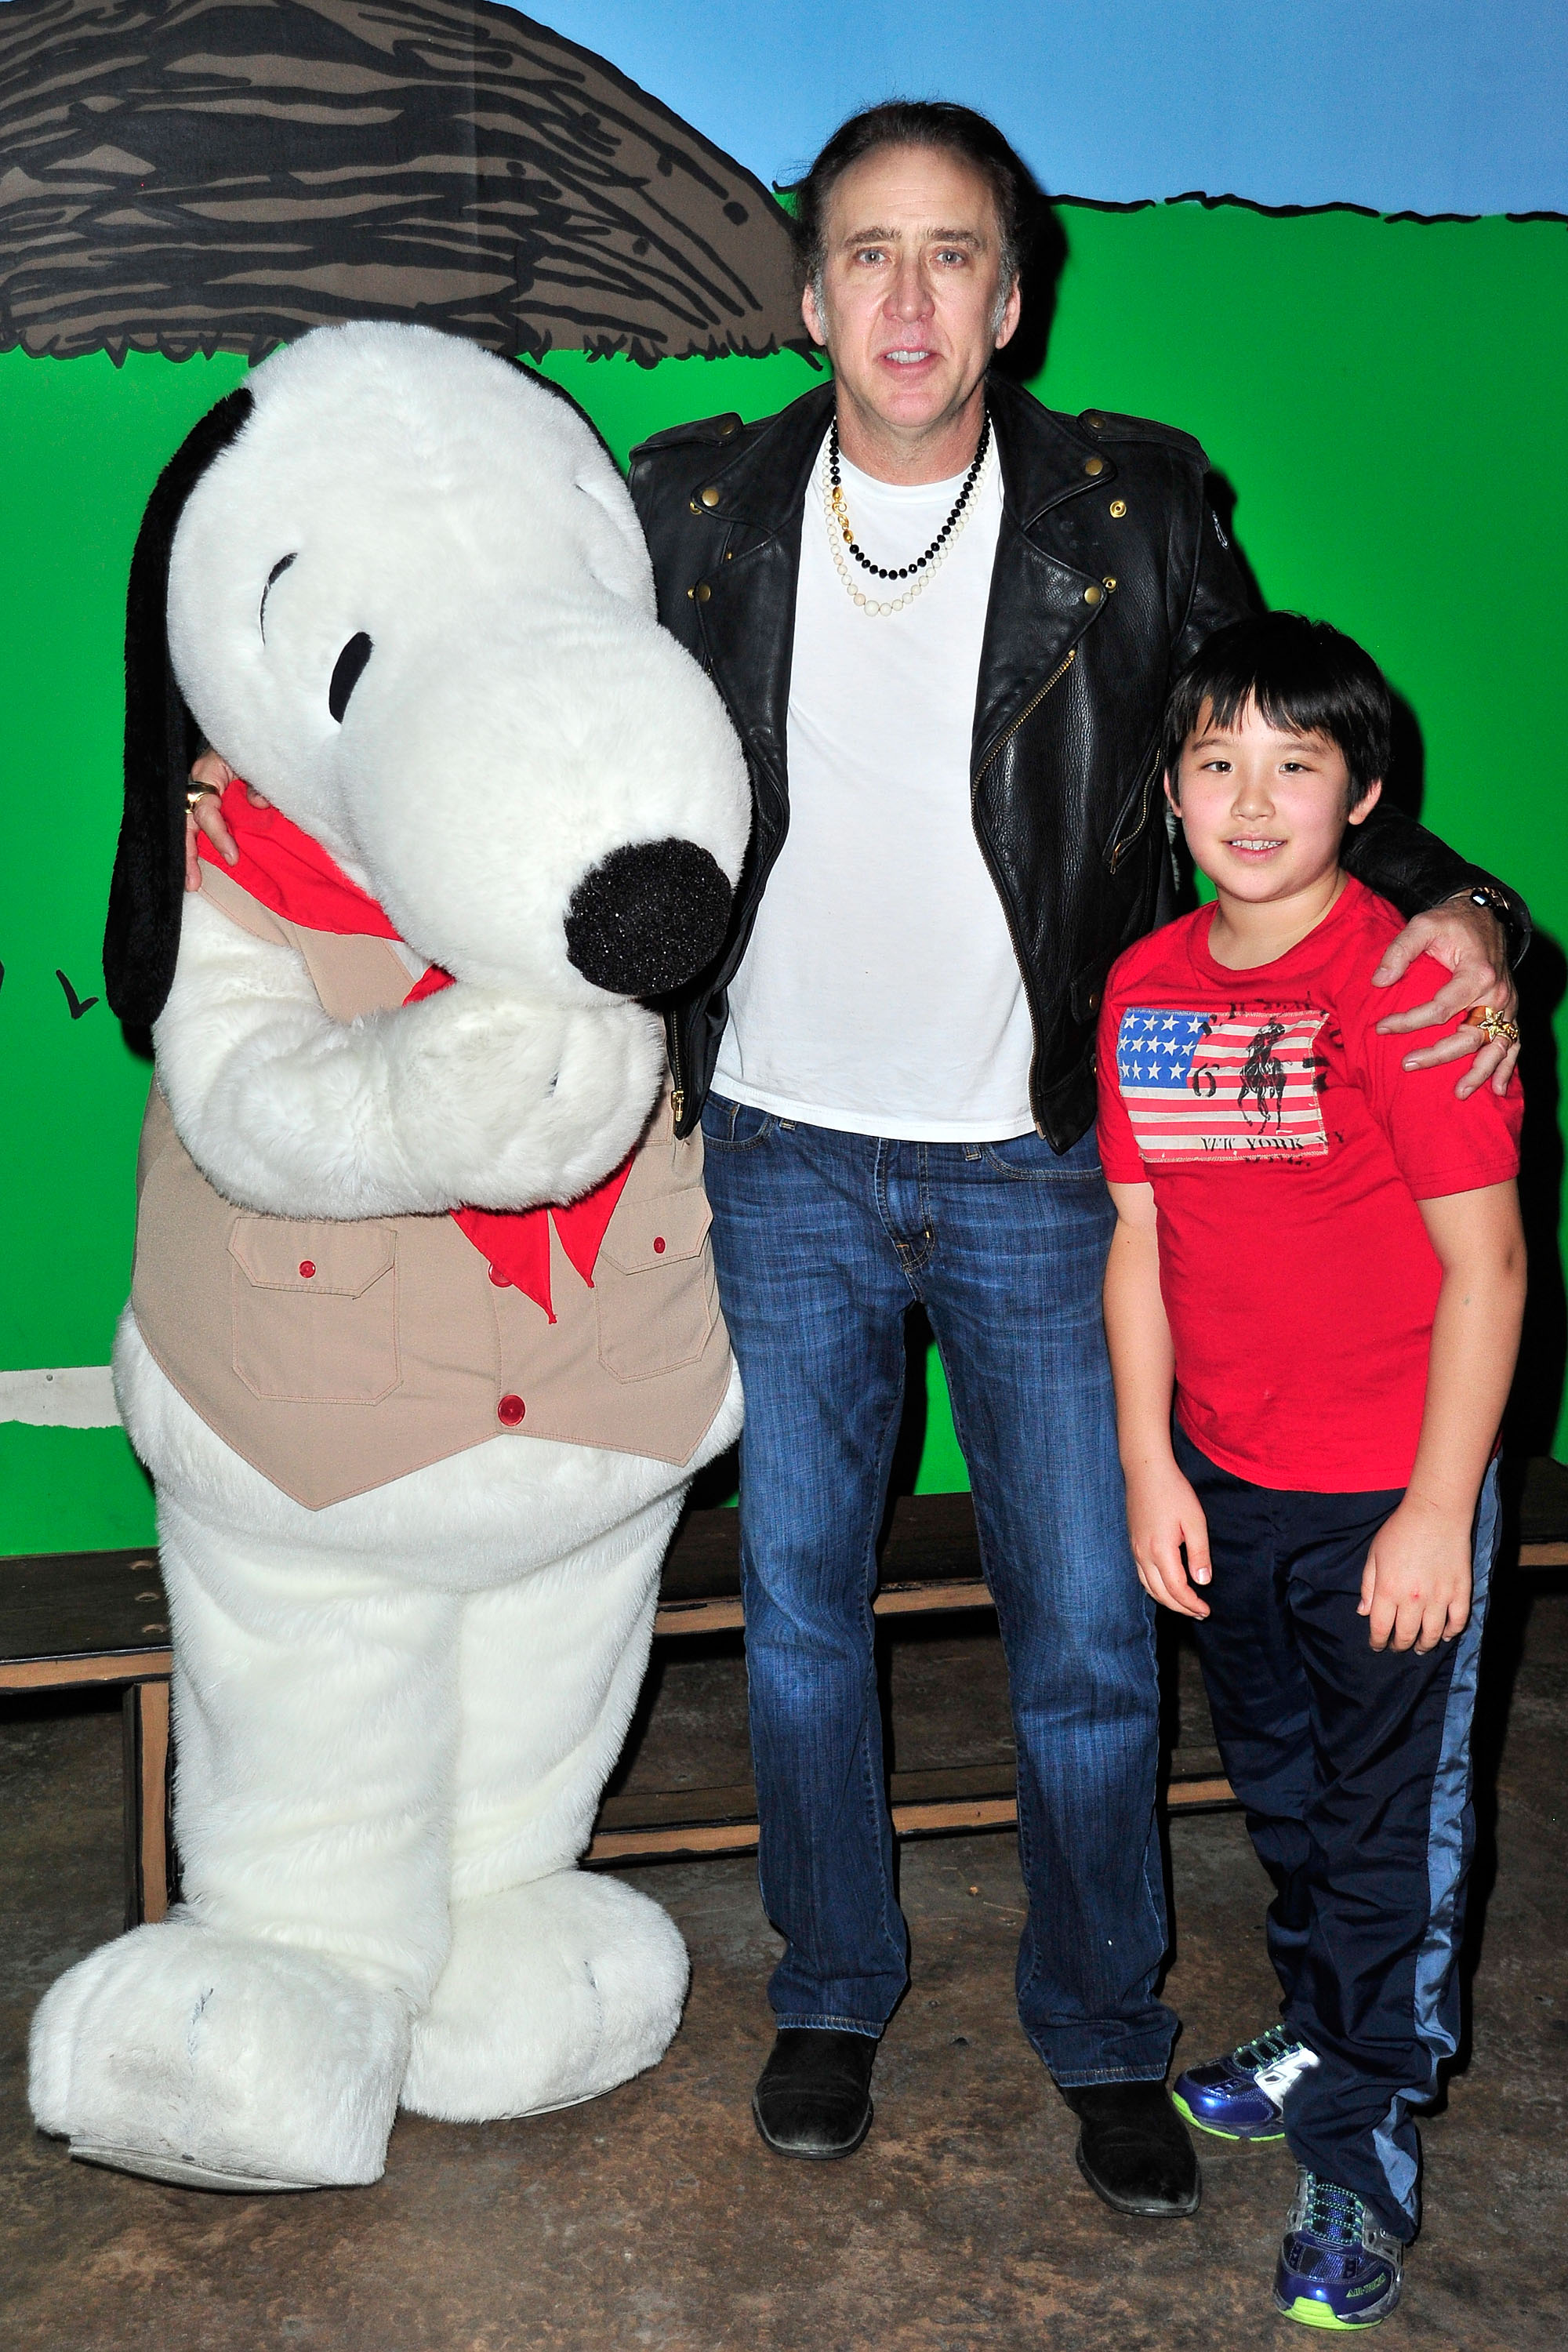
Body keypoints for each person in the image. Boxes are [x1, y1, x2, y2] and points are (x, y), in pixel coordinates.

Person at [187, 102, 1526, 2216]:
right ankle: (833, 1990)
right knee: (803, 1612)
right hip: (786, 1153)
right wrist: (256, 779)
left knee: (1085, 1634)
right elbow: (498, 697)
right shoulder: (691, 509)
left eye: (954, 256)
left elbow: (1281, 744)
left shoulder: (1133, 513)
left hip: (1043, 1171)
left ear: (1013, 296)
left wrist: (1462, 910)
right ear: (811, 294)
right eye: (869, 255)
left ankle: (1101, 2030)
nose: (909, 297)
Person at [1097, 612, 1523, 2325]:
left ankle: (1358, 2153)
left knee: (1384, 1843)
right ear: (1172, 790)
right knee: (1280, 1795)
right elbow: (1139, 1242)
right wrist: (1148, 1462)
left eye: (1295, 763)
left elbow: (1487, 1269)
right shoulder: (1142, 988)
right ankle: (1316, 2031)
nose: (1251, 798)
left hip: (1386, 1495)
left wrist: (1434, 1511)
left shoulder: (1409, 981)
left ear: (1363, 793)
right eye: (1216, 763)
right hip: (1230, 1480)